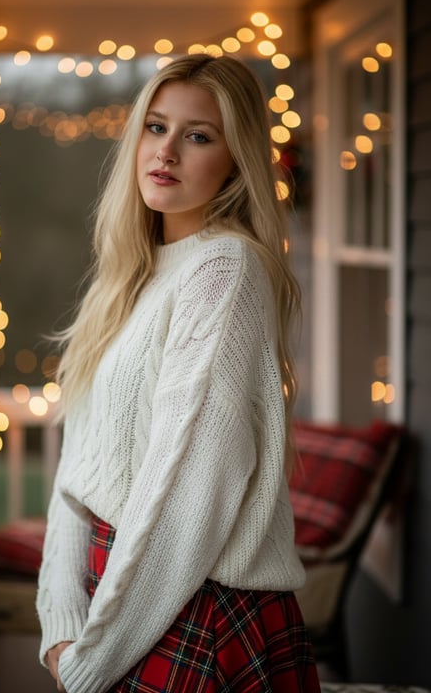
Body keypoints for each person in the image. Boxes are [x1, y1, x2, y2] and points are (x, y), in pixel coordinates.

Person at [36, 53, 321, 693]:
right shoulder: (127, 278)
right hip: (118, 605)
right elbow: (75, 473)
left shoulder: (223, 270)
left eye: (198, 136)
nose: (166, 152)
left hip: (191, 605)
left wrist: (88, 662)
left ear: (234, 160)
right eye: (156, 127)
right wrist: (60, 620)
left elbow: (193, 489)